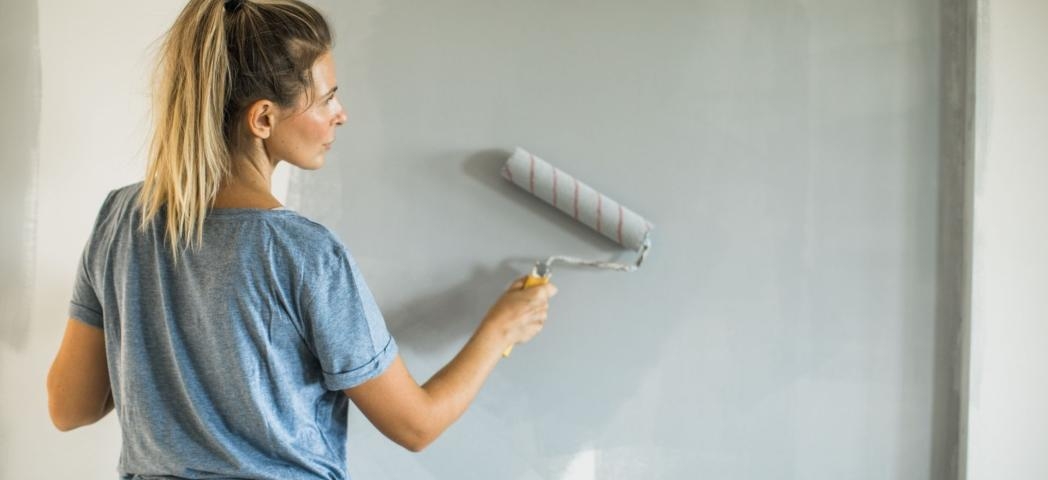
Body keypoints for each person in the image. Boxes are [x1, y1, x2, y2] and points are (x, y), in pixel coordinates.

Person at [45, 0, 557, 478]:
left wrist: (156, 340)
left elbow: (70, 407)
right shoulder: (304, 252)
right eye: (328, 97)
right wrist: (500, 332)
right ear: (263, 118)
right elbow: (415, 425)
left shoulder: (119, 220)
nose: (342, 113)